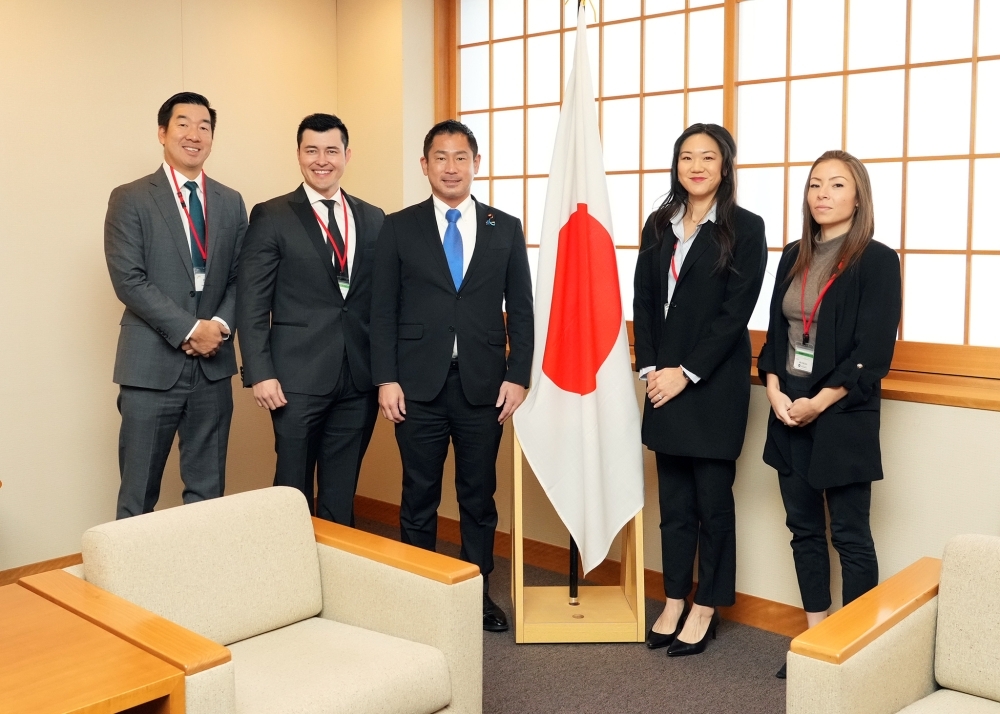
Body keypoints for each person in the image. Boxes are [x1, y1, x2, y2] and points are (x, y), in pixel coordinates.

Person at [371, 119, 534, 632]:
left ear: (476, 164)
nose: (450, 167)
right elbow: (381, 310)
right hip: (415, 386)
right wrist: (386, 379)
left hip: (484, 386)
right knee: (418, 493)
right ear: (424, 166)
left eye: (460, 157)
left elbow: (523, 311)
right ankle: (420, 593)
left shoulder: (503, 227)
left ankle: (477, 592)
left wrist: (519, 375)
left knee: (477, 496)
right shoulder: (398, 227)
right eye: (439, 158)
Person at [757, 150, 901, 679]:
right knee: (803, 531)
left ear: (857, 196)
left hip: (840, 415)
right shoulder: (794, 252)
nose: (822, 194)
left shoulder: (878, 260)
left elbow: (874, 351)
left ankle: (857, 649)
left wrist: (820, 400)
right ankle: (817, 640)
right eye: (815, 184)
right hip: (787, 408)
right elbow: (777, 334)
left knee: (850, 536)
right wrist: (773, 390)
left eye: (836, 185)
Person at [633, 123, 767, 656]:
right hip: (663, 383)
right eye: (687, 156)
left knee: (714, 504)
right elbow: (643, 303)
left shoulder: (745, 228)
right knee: (674, 504)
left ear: (725, 165)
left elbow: (736, 316)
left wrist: (685, 372)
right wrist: (651, 371)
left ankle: (707, 605)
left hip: (710, 386)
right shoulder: (658, 224)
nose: (696, 166)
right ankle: (672, 598)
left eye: (708, 157)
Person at [236, 114, 385, 525]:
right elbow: (251, 302)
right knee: (292, 489)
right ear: (299, 155)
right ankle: (288, 579)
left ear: (347, 155)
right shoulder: (272, 214)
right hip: (294, 379)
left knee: (341, 490)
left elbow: (380, 302)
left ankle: (336, 579)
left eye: (331, 151)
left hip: (358, 377)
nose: (322, 160)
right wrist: (260, 372)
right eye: (311, 150)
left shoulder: (373, 218)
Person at [105, 92, 247, 519]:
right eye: (183, 123)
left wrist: (218, 326)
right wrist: (191, 329)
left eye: (204, 126)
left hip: (213, 367)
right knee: (138, 493)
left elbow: (244, 278)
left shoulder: (230, 200)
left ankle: (198, 582)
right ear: (163, 133)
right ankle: (124, 585)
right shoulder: (130, 197)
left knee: (208, 494)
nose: (194, 134)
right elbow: (128, 279)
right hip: (150, 367)